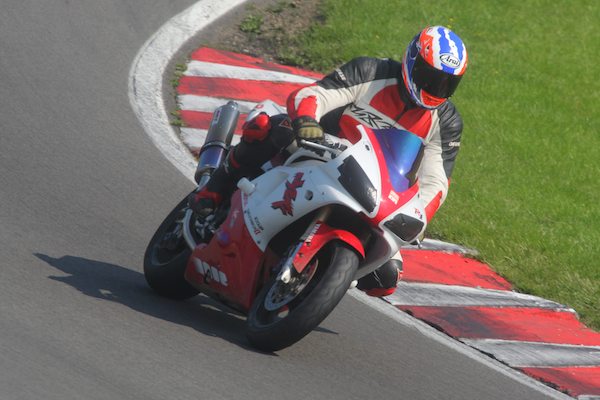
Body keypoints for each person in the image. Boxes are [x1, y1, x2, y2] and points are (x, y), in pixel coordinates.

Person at [191, 26, 468, 297]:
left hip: (375, 189)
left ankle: (310, 285)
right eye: (429, 77)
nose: (435, 88)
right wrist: (307, 121)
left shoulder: (446, 121)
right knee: (271, 127)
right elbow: (317, 95)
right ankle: (214, 188)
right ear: (412, 60)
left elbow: (436, 180)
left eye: (446, 83)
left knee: (386, 276)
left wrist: (420, 218)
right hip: (320, 151)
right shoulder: (372, 71)